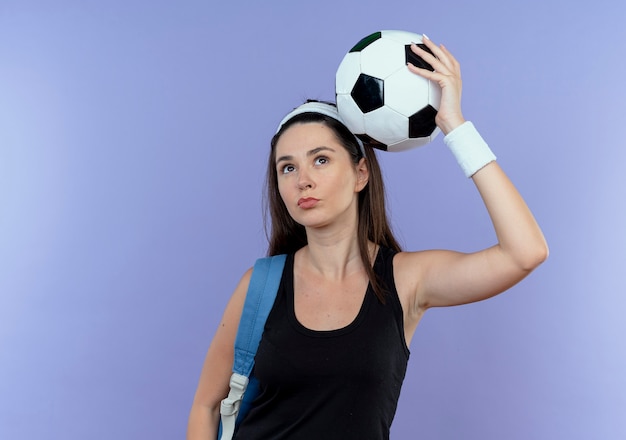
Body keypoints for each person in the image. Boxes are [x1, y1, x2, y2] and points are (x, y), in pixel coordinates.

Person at [187, 35, 548, 439]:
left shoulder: (407, 280)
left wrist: (454, 125)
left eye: (321, 160)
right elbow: (206, 405)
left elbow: (525, 252)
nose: (303, 180)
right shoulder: (261, 285)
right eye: (287, 168)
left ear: (361, 173)